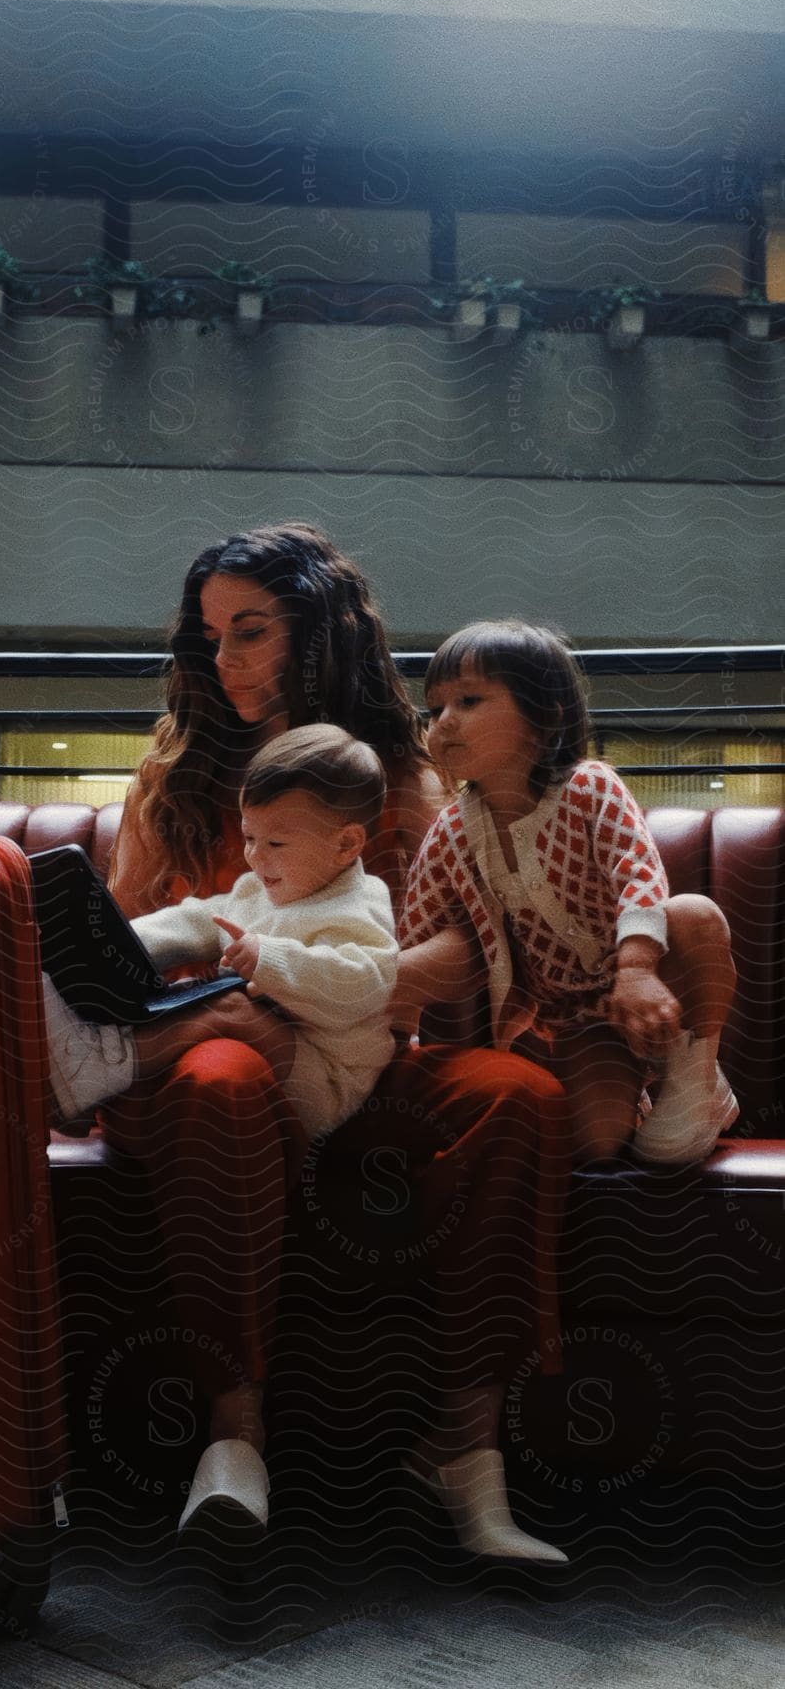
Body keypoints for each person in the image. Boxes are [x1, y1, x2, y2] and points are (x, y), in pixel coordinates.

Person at [44, 525, 573, 1564]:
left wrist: (305, 990)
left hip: (350, 1045)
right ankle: (233, 1444)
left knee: (517, 1096)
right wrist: (241, 997)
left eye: (251, 632)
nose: (225, 661)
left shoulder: (400, 775)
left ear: (318, 632)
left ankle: (463, 1456)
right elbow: (120, 945)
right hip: (204, 1057)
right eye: (210, 638)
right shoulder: (174, 771)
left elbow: (463, 950)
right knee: (221, 1073)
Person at [404, 618, 738, 1166]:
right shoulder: (452, 831)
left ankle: (696, 1074)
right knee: (595, 1146)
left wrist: (636, 969)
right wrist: (395, 1032)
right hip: (578, 1022)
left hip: (654, 980)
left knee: (694, 915)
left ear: (545, 716)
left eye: (468, 700)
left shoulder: (590, 786)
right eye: (433, 709)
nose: (443, 723)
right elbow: (415, 930)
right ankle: (636, 1088)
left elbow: (639, 875)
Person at [44, 723, 399, 1143]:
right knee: (184, 994)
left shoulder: (360, 902)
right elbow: (196, 921)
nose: (254, 855)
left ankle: (99, 1070)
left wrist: (269, 958)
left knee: (232, 1007)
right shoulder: (257, 888)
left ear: (345, 845)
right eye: (250, 837)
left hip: (327, 1082)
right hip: (282, 1053)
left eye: (276, 844)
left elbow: (365, 986)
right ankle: (85, 1069)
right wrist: (108, 943)